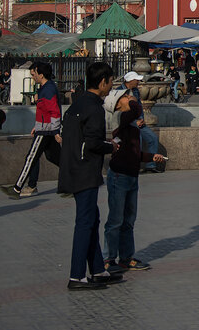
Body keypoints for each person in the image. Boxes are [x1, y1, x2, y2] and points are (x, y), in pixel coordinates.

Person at [58, 61, 124, 291]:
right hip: (84, 171)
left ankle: (97, 270)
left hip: (73, 168)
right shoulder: (95, 108)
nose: (112, 85)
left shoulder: (80, 102)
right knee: (85, 223)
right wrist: (111, 147)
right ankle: (76, 276)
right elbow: (93, 143)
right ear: (103, 82)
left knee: (92, 219)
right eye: (111, 81)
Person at [103, 91, 167, 272]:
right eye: (126, 96)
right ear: (118, 103)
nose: (130, 98)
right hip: (119, 176)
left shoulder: (129, 123)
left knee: (128, 220)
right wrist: (133, 102)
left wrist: (151, 157)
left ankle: (126, 257)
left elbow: (133, 153)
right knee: (115, 219)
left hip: (131, 175)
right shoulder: (120, 117)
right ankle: (108, 258)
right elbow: (137, 108)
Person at [1, 61, 62, 199]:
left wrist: (56, 131)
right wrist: (38, 126)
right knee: (56, 158)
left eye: (33, 74)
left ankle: (17, 188)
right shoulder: (46, 88)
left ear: (41, 74)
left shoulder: (48, 90)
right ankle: (75, 182)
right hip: (44, 129)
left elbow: (54, 112)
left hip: (46, 131)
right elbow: (46, 111)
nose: (32, 76)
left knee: (31, 158)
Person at [122, 71, 160, 173]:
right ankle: (134, 165)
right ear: (130, 81)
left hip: (139, 122)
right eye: (136, 80)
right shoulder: (120, 91)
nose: (138, 82)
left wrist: (141, 119)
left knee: (152, 138)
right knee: (137, 140)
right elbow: (121, 111)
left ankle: (150, 165)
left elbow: (139, 106)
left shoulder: (135, 91)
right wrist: (134, 122)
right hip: (128, 124)